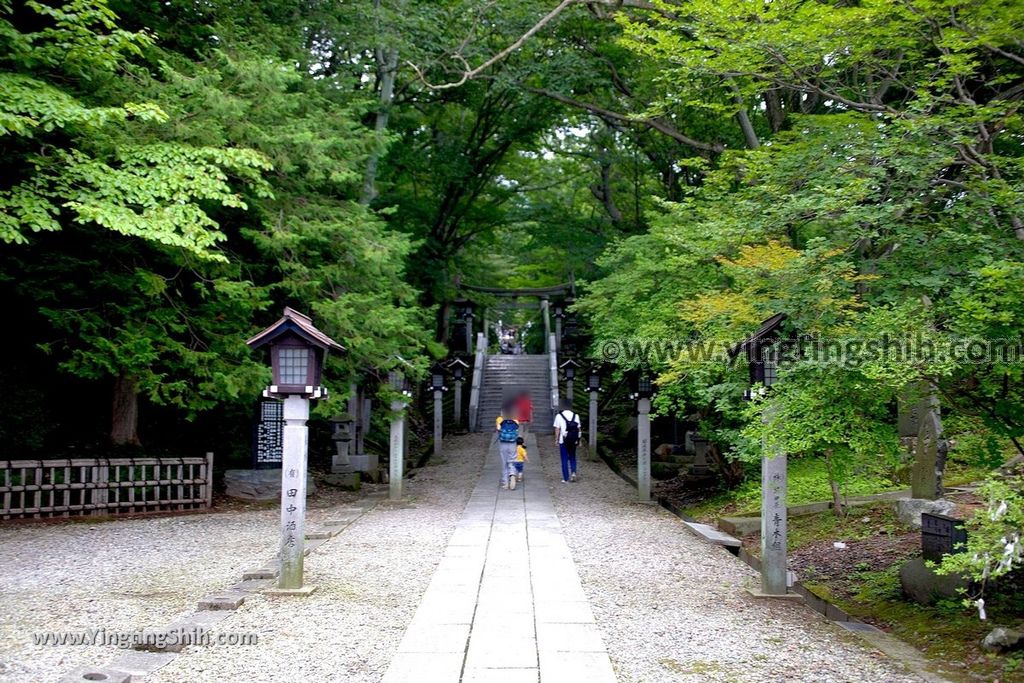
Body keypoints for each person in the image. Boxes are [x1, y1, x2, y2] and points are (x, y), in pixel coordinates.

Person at [553, 398, 582, 483]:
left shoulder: (559, 416)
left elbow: (557, 429)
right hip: (573, 439)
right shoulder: (576, 416)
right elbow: (579, 429)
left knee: (564, 459)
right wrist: (579, 440)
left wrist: (556, 440)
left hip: (563, 440)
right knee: (573, 457)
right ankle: (573, 472)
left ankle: (565, 478)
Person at [495, 401, 520, 489]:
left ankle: (505, 483)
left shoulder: (499, 419)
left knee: (504, 462)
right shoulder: (515, 420)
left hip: (503, 443)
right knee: (512, 460)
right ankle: (512, 474)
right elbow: (517, 431)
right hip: (513, 443)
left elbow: (498, 429)